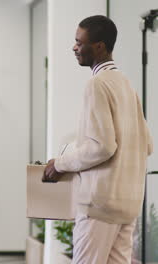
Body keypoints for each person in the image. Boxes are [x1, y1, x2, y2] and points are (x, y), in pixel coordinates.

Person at [43, 15, 154, 263]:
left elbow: (102, 146)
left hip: (100, 206)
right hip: (128, 205)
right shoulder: (126, 85)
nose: (74, 48)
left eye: (79, 42)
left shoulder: (98, 84)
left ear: (99, 46)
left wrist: (60, 162)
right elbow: (147, 145)